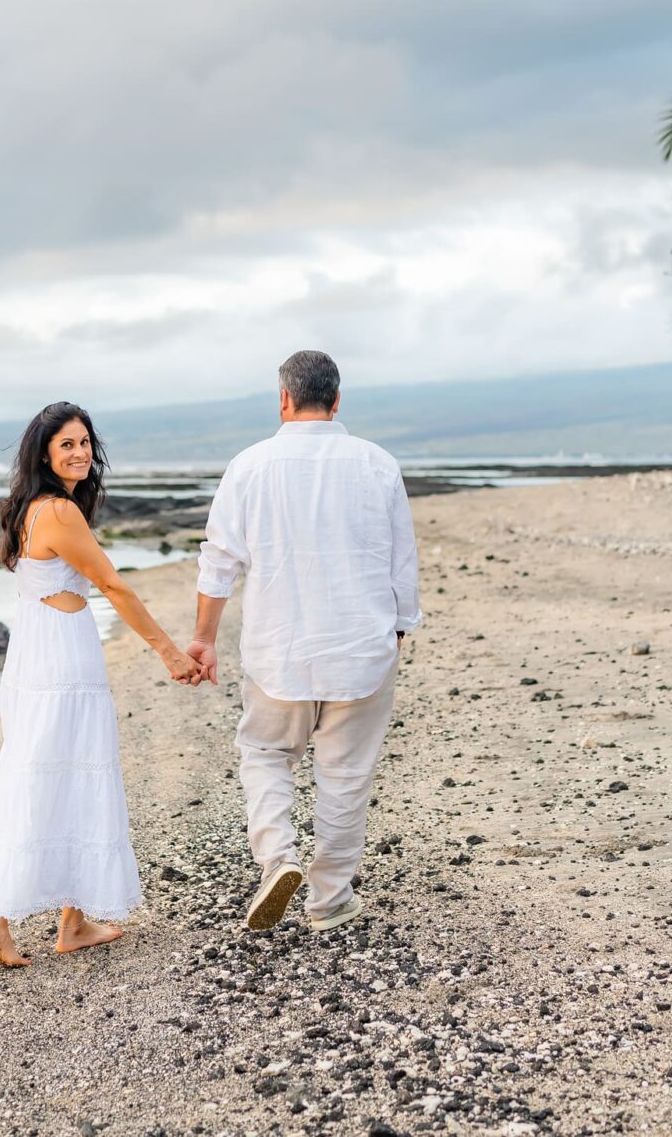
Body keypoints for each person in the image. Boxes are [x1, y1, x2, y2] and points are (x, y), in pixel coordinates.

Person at [185, 351, 420, 933]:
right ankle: (329, 900)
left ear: (283, 400)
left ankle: (278, 859)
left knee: (266, 754)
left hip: (278, 648)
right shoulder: (377, 463)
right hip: (361, 647)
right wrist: (400, 627)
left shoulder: (250, 465)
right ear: (337, 400)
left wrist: (203, 640)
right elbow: (401, 562)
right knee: (345, 775)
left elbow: (218, 562)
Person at [0, 401, 203, 968]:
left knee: (58, 772)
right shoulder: (57, 512)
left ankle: (71, 922)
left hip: (39, 649)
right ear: (45, 454)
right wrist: (170, 652)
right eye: (66, 445)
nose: (79, 453)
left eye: (84, 442)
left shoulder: (29, 507)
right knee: (55, 775)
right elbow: (113, 587)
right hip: (61, 658)